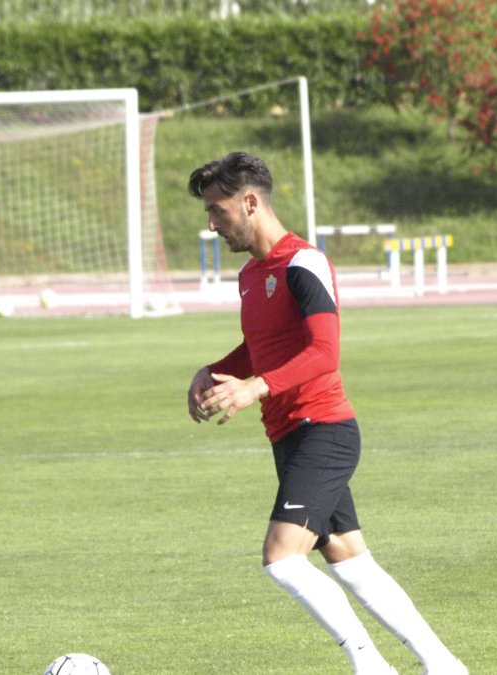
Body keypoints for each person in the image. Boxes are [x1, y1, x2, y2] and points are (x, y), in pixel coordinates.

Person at [185, 152, 466, 675]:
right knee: (351, 562)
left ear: (250, 202)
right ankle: (444, 665)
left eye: (218, 211)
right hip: (291, 435)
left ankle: (370, 666)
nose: (212, 224)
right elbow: (261, 345)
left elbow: (323, 351)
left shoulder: (302, 263)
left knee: (282, 557)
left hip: (324, 429)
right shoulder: (251, 275)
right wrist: (215, 369)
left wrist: (255, 389)